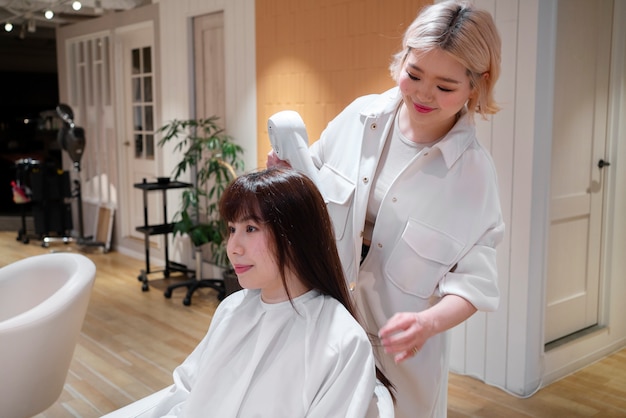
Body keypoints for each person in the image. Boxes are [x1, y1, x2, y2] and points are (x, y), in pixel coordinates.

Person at [267, 1, 504, 417]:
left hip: (401, 355)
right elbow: (312, 185)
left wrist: (428, 324)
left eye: (445, 86)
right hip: (324, 327)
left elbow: (474, 284)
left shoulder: (473, 176)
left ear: (477, 85)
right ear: (403, 58)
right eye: (413, 74)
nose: (423, 94)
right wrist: (287, 172)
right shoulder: (360, 118)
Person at [150, 167, 393, 417]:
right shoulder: (232, 308)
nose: (232, 247)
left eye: (251, 229)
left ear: (295, 236)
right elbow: (186, 390)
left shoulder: (342, 340)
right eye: (232, 229)